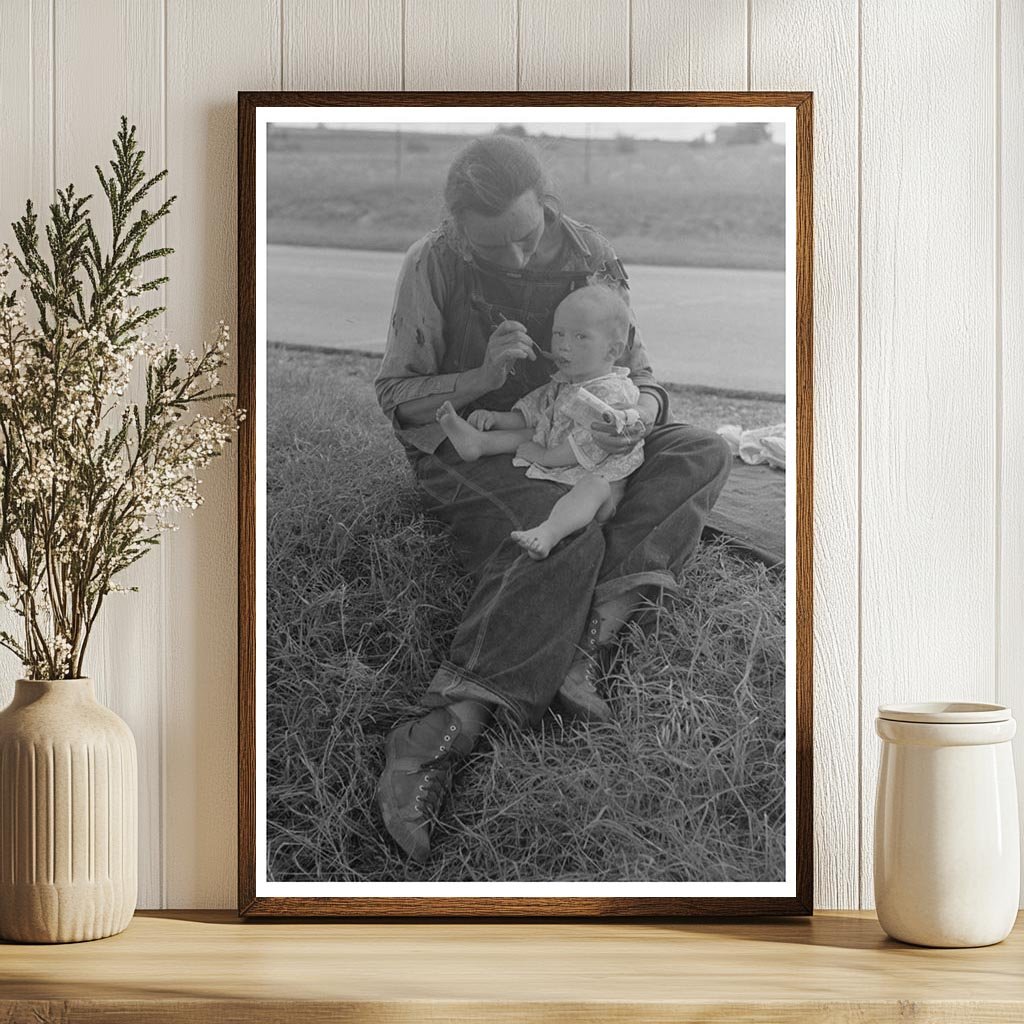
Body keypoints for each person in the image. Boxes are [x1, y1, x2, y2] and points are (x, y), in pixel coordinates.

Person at [374, 133, 731, 864]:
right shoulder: (432, 263)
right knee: (561, 528)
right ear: (454, 226)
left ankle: (588, 638)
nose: (514, 260)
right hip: (480, 439)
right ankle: (442, 730)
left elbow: (640, 368)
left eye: (527, 238)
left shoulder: (591, 252)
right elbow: (397, 397)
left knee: (701, 449)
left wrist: (640, 416)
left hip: (587, 433)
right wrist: (479, 377)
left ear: (549, 204)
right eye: (491, 250)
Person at [435, 283, 644, 560]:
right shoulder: (562, 383)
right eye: (559, 334)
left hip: (601, 491)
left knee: (593, 486)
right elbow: (534, 412)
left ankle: (549, 532)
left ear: (612, 351)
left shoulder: (611, 393)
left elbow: (587, 442)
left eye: (580, 336)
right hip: (561, 462)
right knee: (533, 430)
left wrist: (544, 456)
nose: (564, 345)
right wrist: (497, 418)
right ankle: (479, 443)